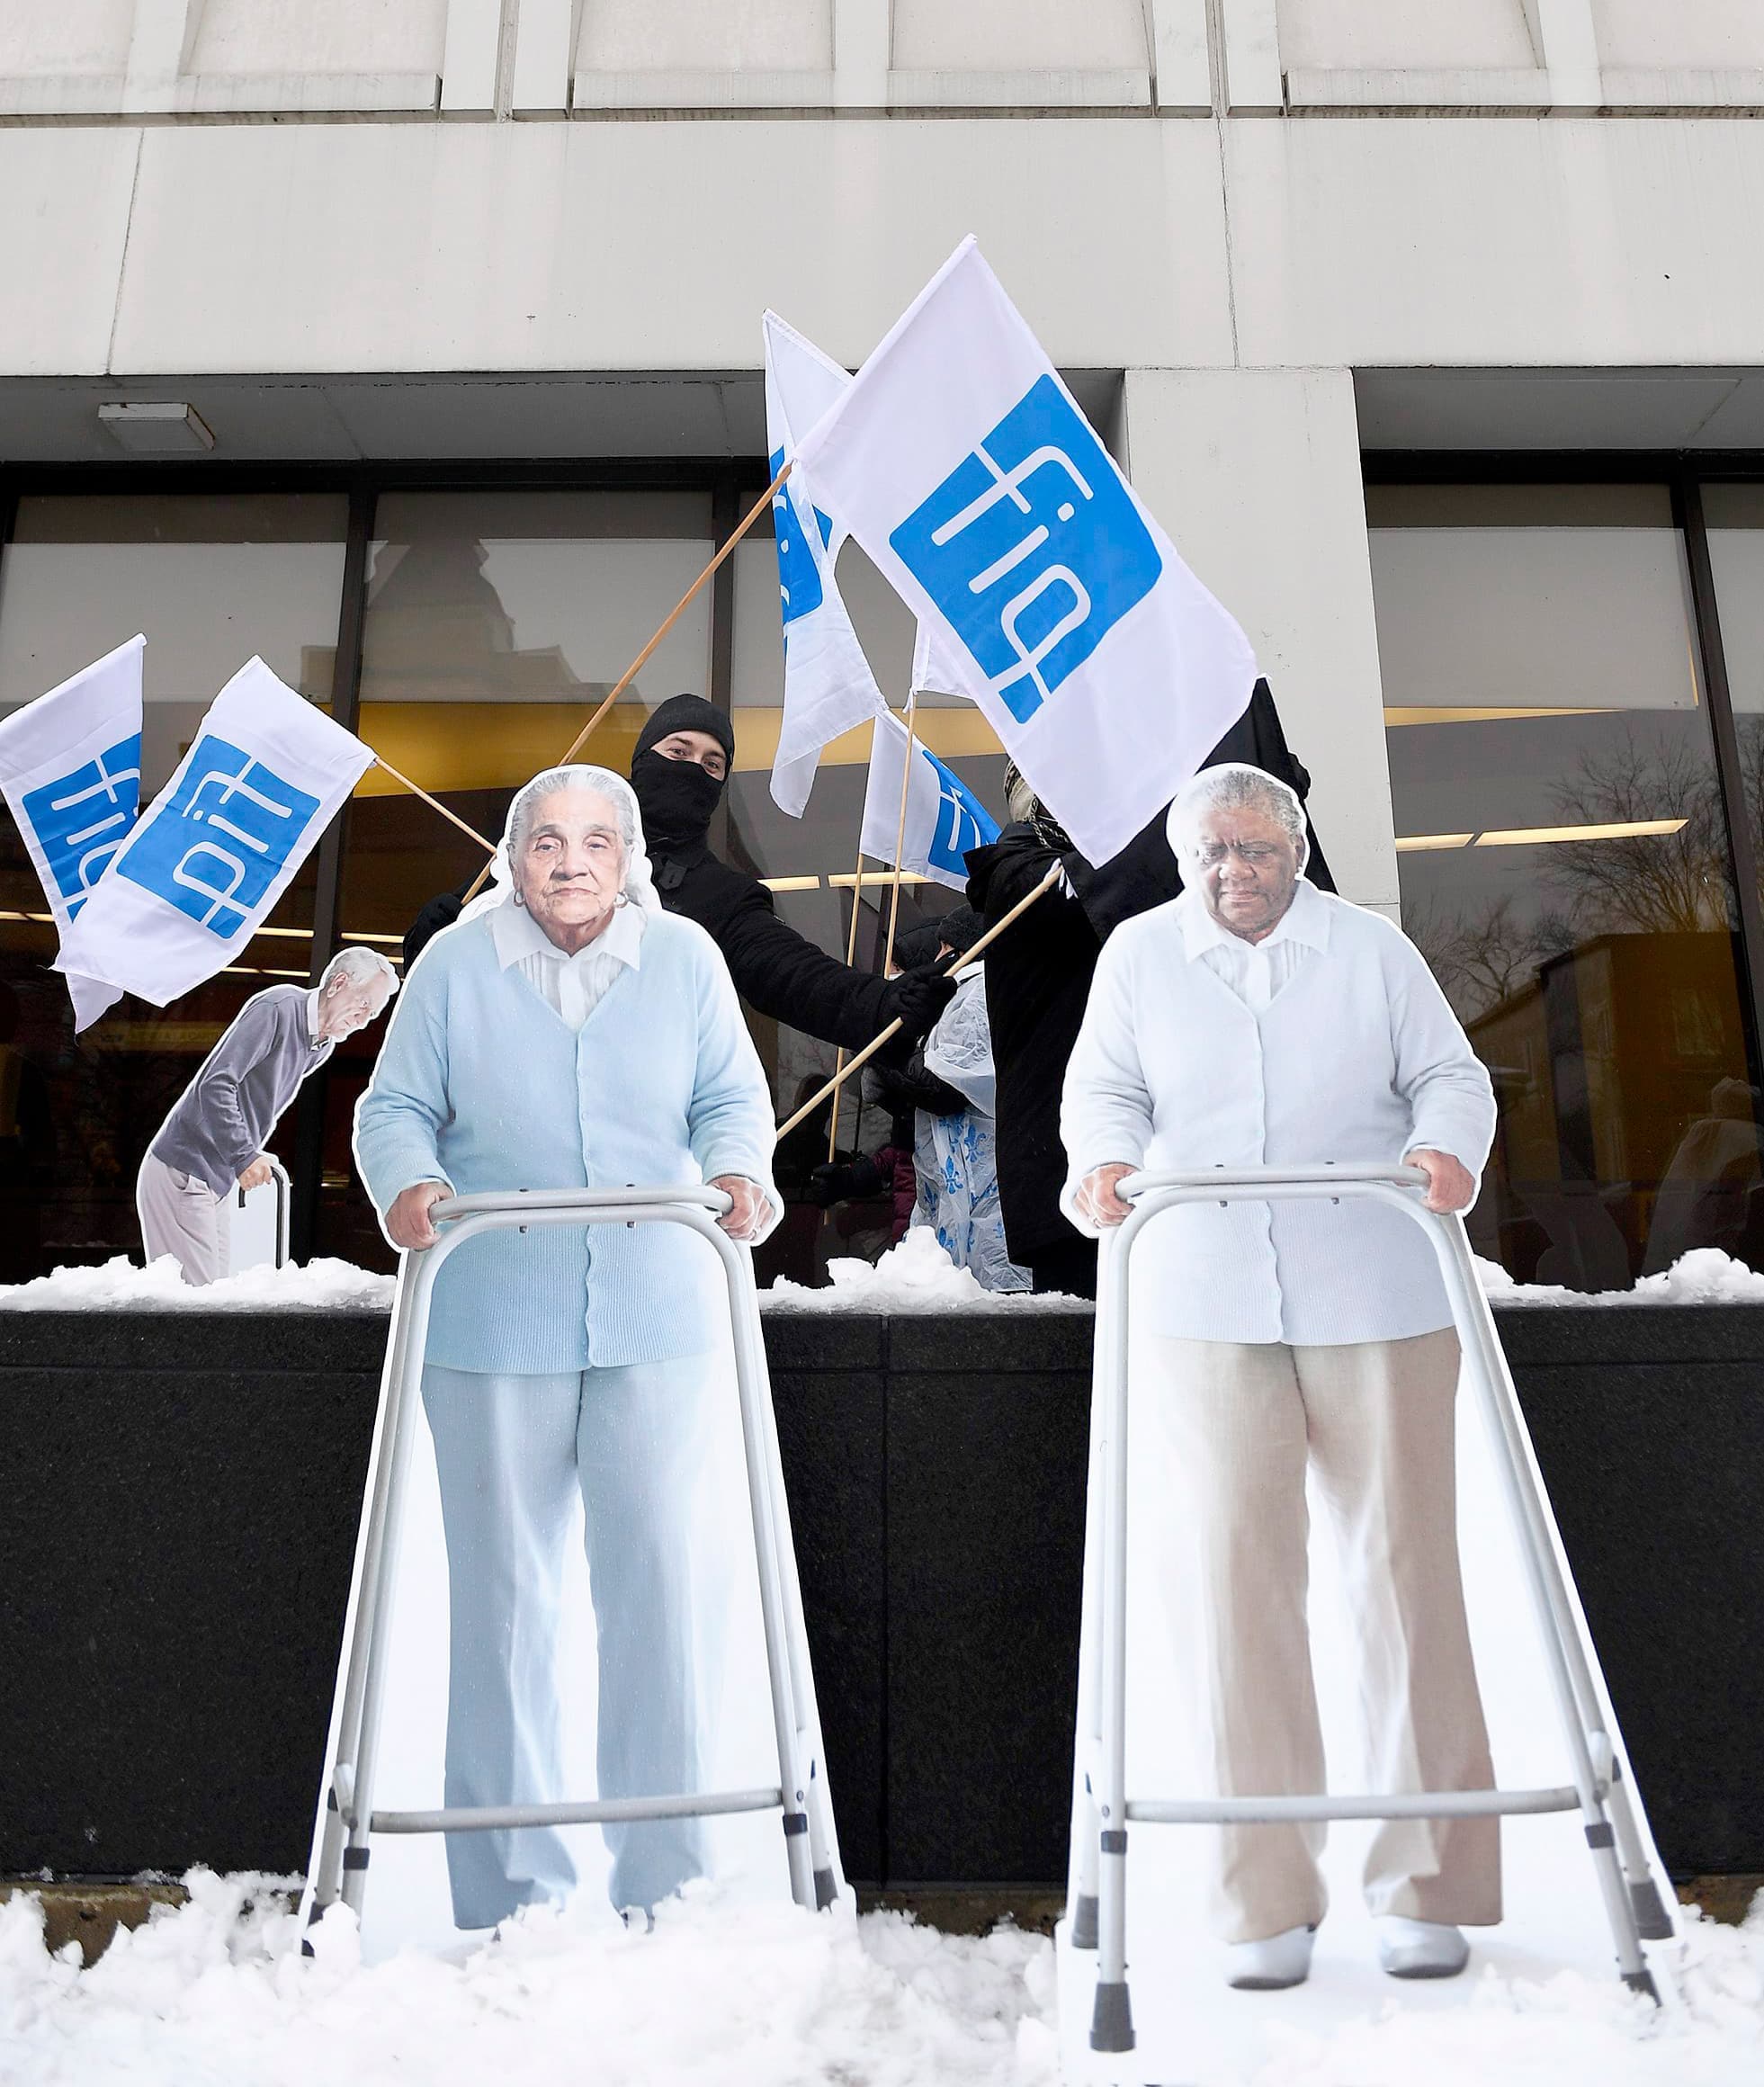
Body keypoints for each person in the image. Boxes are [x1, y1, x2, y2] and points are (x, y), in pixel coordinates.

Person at [1061, 762, 1500, 1992]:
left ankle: (1428, 1886)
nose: (1232, 874)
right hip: (1208, 1299)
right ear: (1180, 855)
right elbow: (1106, 1088)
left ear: (1296, 849)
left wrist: (1442, 1149)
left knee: (1406, 1574)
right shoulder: (1140, 957)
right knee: (1236, 1588)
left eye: (1255, 850)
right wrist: (1101, 1160)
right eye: (1211, 852)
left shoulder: (1370, 951)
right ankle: (1266, 1899)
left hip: (1376, 1288)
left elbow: (1450, 1077)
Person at [354, 762, 779, 1930]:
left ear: (629, 853)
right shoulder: (453, 964)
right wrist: (412, 1185)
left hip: (652, 1312)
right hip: (494, 1315)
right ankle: (511, 1892)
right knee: (503, 1600)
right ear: (513, 853)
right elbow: (394, 1109)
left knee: (655, 1589)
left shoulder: (685, 959)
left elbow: (728, 1101)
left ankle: (667, 1882)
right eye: (547, 842)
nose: (572, 863)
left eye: (597, 841)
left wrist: (741, 1174)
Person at [970, 677, 1332, 1299]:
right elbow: (1098, 900)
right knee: (1099, 1372)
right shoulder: (1016, 868)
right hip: (1078, 1172)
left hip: (1182, 1166)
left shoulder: (1155, 866)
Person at [404, 695, 954, 1053]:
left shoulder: (723, 897)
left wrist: (882, 1004)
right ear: (642, 763)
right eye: (679, 750)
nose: (695, 768)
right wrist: (434, 938)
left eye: (712, 764)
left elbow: (793, 976)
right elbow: (459, 963)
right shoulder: (550, 856)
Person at [137, 946, 397, 1285]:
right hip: (184, 1169)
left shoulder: (320, 1044)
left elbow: (256, 1102)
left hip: (216, 1178)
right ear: (338, 984)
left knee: (218, 1302)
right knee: (194, 1312)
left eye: (373, 1014)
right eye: (364, 1005)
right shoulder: (278, 1009)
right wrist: (244, 1155)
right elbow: (216, 1084)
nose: (364, 1021)